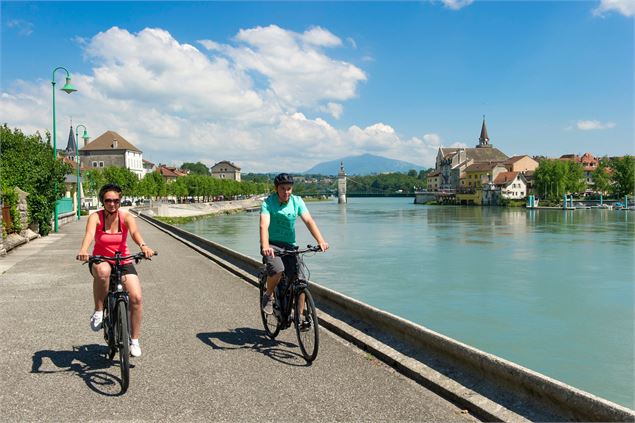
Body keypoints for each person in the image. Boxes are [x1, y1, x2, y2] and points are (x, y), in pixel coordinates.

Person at [76, 183, 154, 357]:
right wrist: (83, 250)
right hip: (101, 259)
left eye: (116, 201)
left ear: (120, 201)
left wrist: (143, 246)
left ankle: (134, 340)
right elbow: (89, 234)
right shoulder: (96, 217)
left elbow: (134, 233)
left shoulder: (126, 217)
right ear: (102, 201)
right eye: (108, 200)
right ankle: (98, 311)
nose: (112, 204)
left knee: (136, 297)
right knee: (103, 272)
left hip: (123, 260)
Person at [260, 173, 329, 319]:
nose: (286, 192)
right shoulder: (268, 203)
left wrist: (321, 241)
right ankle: (268, 295)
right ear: (276, 188)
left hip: (290, 246)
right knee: (278, 270)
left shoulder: (297, 201)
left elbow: (309, 221)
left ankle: (300, 316)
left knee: (301, 280)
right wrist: (265, 245)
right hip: (272, 245)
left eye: (289, 188)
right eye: (283, 188)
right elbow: (264, 225)